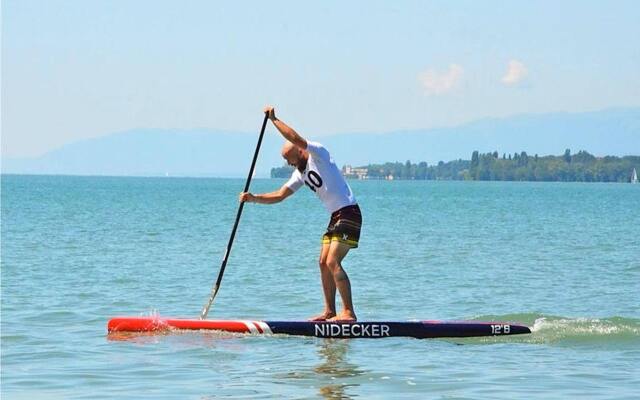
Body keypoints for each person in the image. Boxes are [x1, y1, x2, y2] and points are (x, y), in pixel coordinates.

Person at [239, 106, 362, 321]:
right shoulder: (300, 174)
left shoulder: (318, 154)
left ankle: (349, 313)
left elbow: (294, 136)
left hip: (349, 213)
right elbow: (280, 195)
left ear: (300, 150)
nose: (288, 163)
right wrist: (253, 198)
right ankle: (329, 311)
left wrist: (274, 120)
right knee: (323, 262)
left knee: (333, 261)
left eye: (290, 158)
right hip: (335, 216)